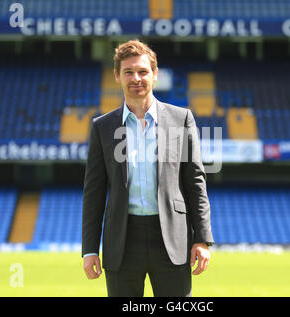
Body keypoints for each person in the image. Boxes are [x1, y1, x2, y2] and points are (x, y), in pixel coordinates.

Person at [82, 39, 214, 297]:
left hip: (172, 239)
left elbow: (195, 182)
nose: (136, 78)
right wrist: (89, 249)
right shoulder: (102, 127)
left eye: (143, 71)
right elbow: (93, 192)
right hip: (122, 241)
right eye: (128, 72)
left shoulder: (182, 119)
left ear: (154, 75)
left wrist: (202, 238)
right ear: (117, 77)